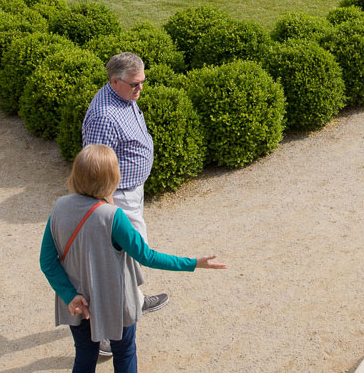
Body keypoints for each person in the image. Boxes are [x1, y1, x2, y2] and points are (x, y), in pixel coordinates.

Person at [41, 144, 227, 373]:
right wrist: (193, 263)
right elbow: (146, 256)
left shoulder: (59, 207)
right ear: (110, 178)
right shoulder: (113, 217)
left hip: (80, 305)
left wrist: (70, 295)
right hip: (116, 302)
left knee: (84, 355)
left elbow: (47, 261)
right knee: (125, 352)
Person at [81, 53, 171, 322]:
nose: (140, 88)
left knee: (129, 257)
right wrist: (108, 212)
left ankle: (136, 301)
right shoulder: (104, 117)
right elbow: (96, 172)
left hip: (131, 192)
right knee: (119, 261)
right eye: (135, 84)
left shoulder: (122, 95)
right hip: (116, 198)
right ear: (114, 81)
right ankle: (107, 330)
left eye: (142, 81)